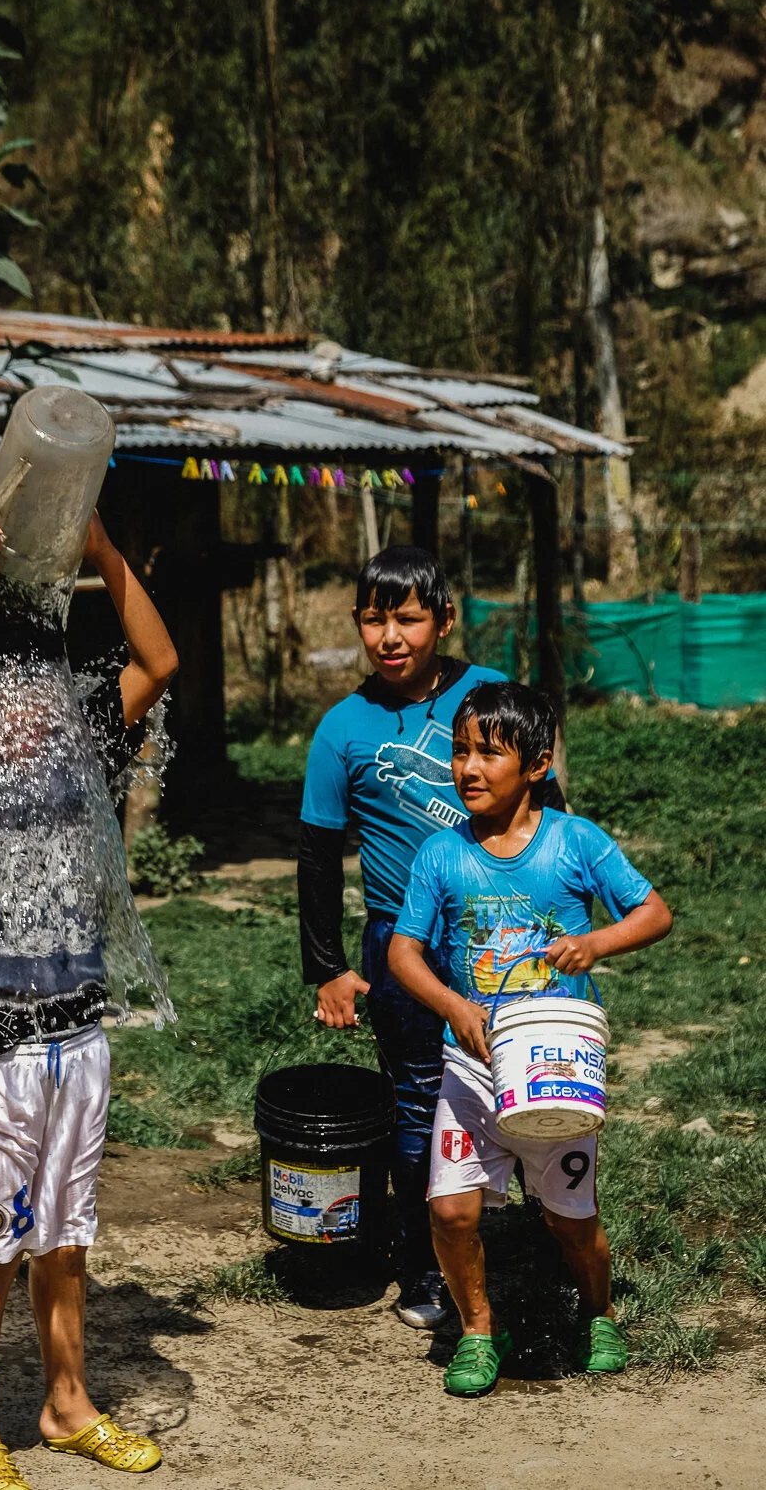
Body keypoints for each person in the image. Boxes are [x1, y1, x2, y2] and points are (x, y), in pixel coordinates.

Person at [0, 512, 177, 1488]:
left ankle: (67, 1405)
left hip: (76, 1035)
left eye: (45, 688)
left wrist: (107, 550)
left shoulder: (85, 742)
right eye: (12, 687)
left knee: (62, 1241)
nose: (33, 706)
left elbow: (160, 654)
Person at [297, 546, 562, 1327]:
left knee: (533, 1086)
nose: (390, 635)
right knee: (420, 1103)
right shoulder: (342, 728)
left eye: (408, 617)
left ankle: (556, 1235)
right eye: (374, 618)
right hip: (400, 949)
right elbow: (317, 853)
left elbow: (548, 813)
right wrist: (329, 968)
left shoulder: (491, 696)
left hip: (506, 936)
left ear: (443, 621)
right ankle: (425, 1268)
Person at [388, 681, 673, 1396]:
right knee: (451, 1212)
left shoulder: (577, 843)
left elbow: (655, 912)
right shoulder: (440, 855)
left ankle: (599, 1312)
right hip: (471, 1066)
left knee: (570, 1222)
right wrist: (453, 1004)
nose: (468, 768)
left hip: (556, 1065)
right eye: (459, 751)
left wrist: (596, 944)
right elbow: (402, 952)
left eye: (488, 753)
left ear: (537, 763)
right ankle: (481, 1331)